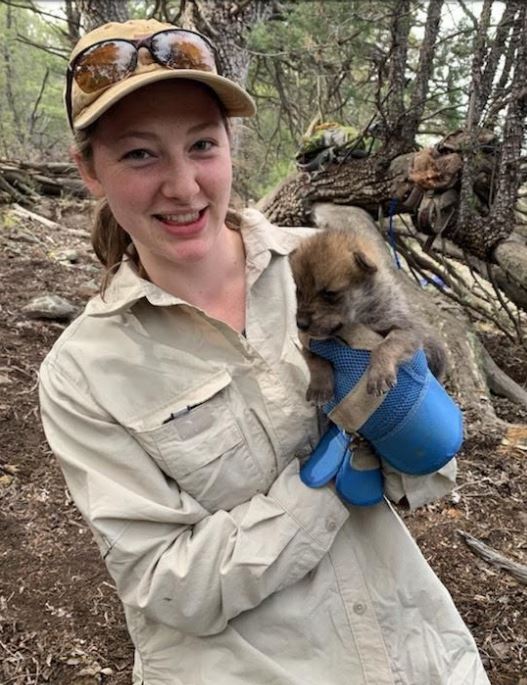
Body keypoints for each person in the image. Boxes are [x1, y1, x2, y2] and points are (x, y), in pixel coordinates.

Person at [39, 18, 490, 685]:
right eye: (139, 154)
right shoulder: (84, 373)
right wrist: (331, 478)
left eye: (201, 144)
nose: (184, 185)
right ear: (89, 170)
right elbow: (169, 584)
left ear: (230, 145)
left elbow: (429, 476)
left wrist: (415, 426)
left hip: (418, 656)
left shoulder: (325, 262)